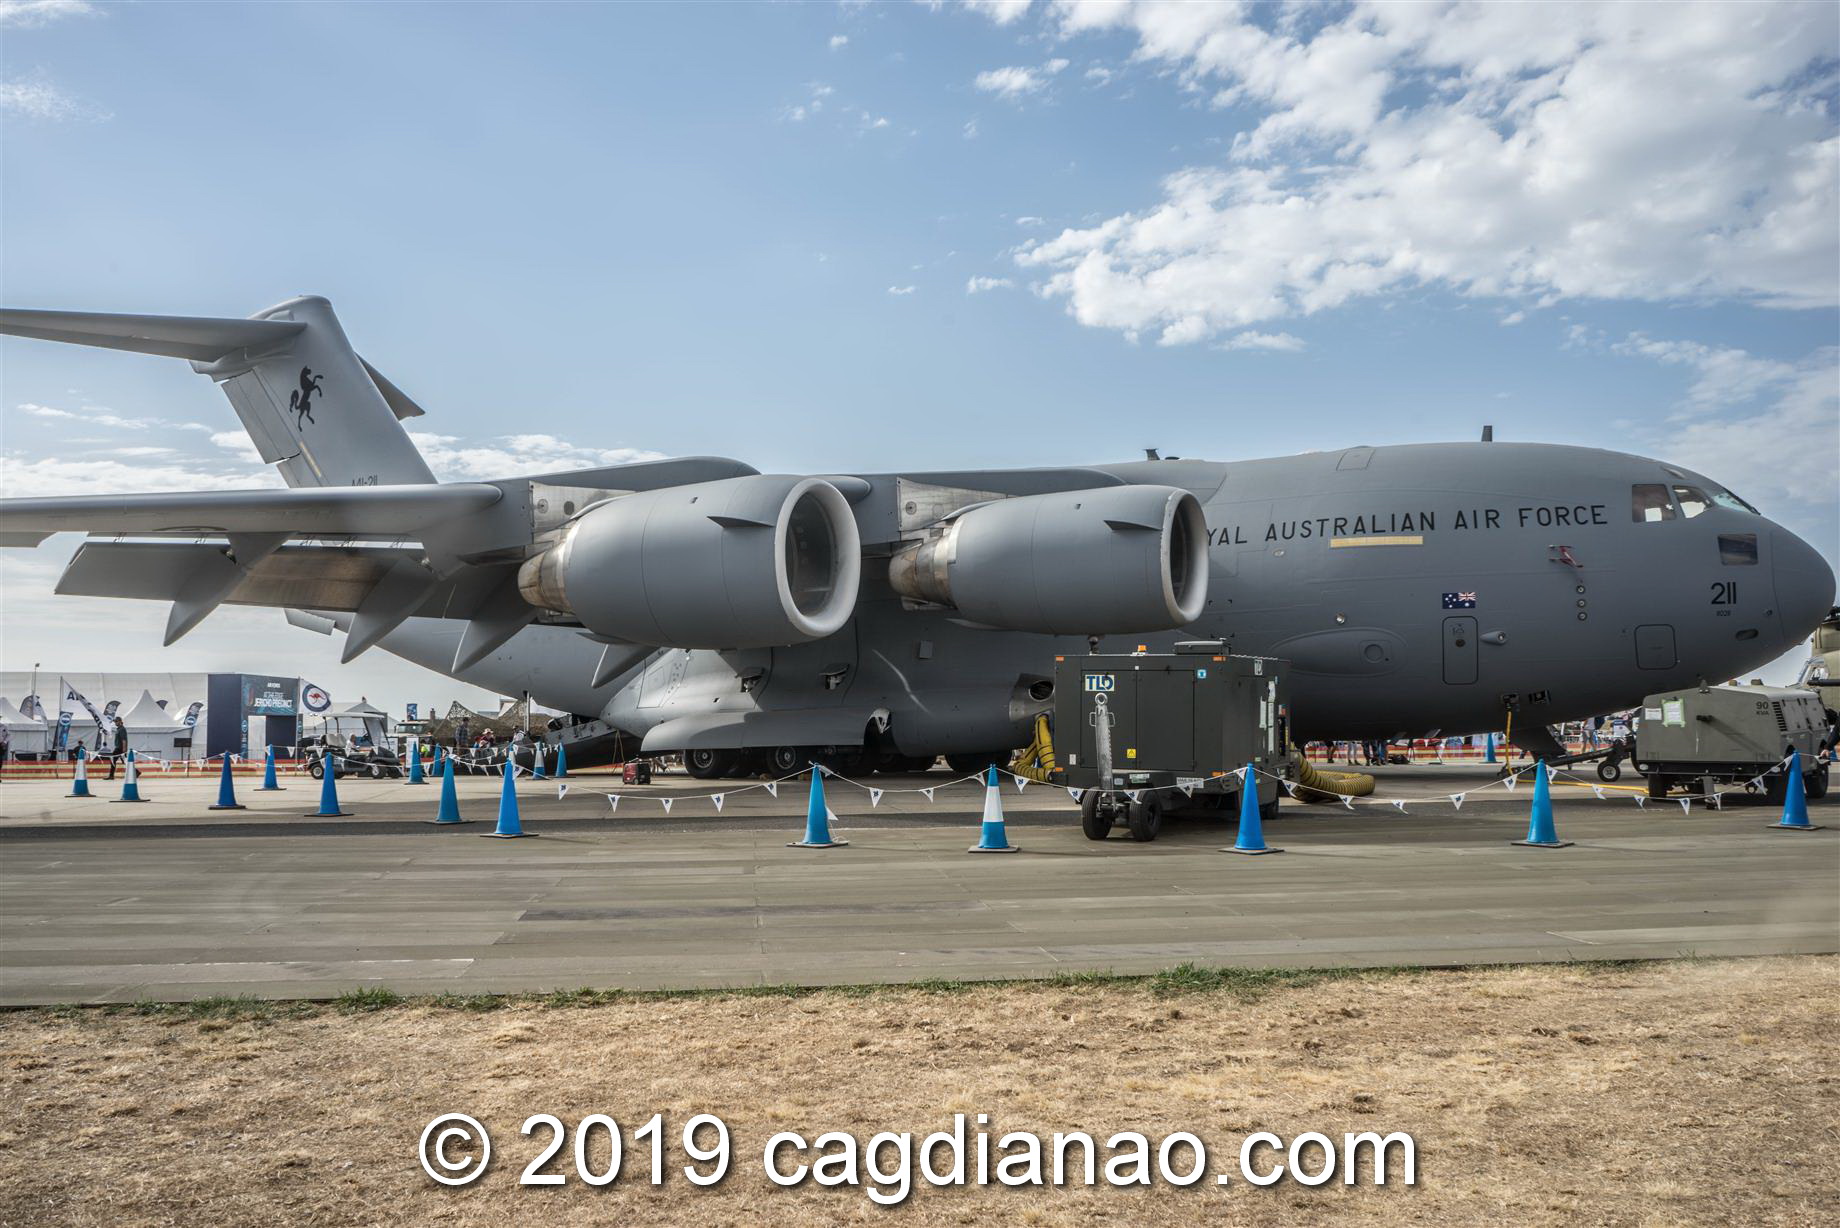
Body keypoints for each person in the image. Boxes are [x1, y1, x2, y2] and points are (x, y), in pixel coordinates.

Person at [105, 715, 128, 779]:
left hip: (120, 748)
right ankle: (136, 772)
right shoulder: (119, 729)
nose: (115, 723)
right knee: (125, 762)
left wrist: (124, 750)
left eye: (116, 721)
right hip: (119, 748)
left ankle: (111, 776)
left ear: (120, 721)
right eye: (115, 722)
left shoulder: (122, 729)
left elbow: (124, 740)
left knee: (112, 760)